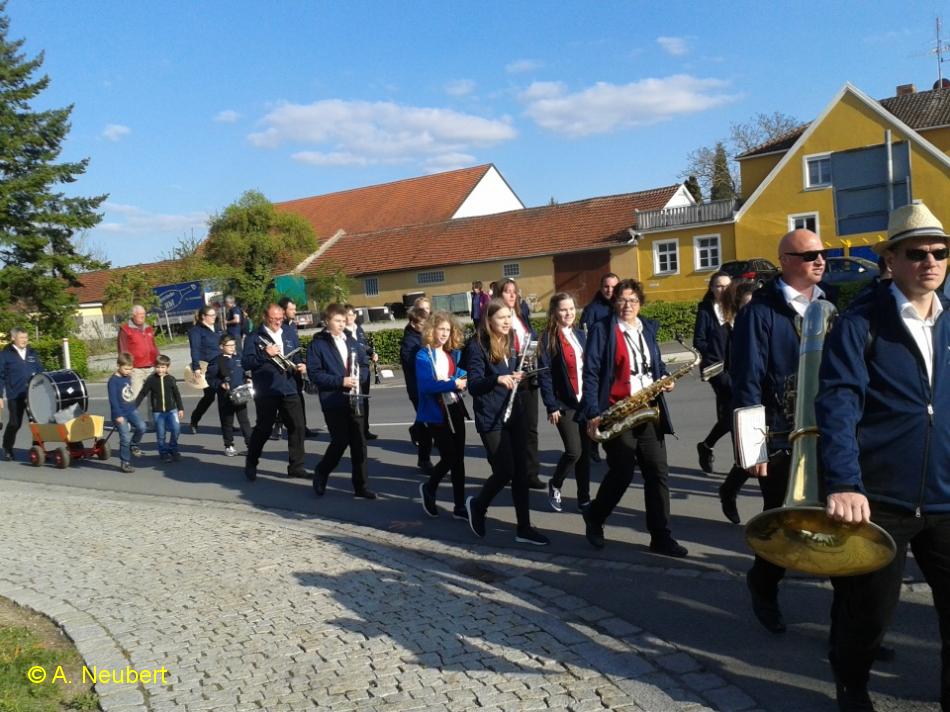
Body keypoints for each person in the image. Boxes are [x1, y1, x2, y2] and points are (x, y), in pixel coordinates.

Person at [816, 201, 950, 711]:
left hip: (947, 497)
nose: (930, 262)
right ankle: (851, 684)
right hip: (879, 499)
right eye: (917, 253)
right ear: (890, 260)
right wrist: (844, 482)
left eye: (940, 252)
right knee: (867, 615)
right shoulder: (860, 323)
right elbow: (839, 405)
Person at [731, 227, 831, 634]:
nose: (820, 260)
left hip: (829, 431)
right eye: (809, 256)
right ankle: (763, 583)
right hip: (780, 436)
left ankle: (856, 627)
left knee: (839, 521)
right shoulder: (760, 312)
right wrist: (753, 449)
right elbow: (747, 381)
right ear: (786, 261)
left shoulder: (828, 303)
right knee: (785, 522)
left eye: (822, 253)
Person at [579, 279, 687, 558]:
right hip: (617, 410)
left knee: (657, 471)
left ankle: (661, 536)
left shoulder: (647, 328)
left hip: (648, 408)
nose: (628, 305)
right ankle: (595, 515)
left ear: (640, 303)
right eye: (622, 300)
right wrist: (592, 412)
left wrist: (665, 378)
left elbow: (656, 363)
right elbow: (591, 373)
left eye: (633, 300)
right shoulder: (603, 329)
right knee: (623, 471)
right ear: (614, 302)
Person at [463, 298, 550, 546]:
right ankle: (478, 505)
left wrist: (517, 375)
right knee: (505, 471)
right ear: (489, 320)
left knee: (521, 472)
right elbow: (474, 385)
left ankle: (524, 528)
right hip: (491, 416)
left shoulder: (509, 339)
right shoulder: (477, 345)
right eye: (501, 317)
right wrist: (498, 380)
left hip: (514, 412)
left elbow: (509, 372)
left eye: (509, 317)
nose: (507, 322)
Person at [307, 303, 375, 499]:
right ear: (327, 321)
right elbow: (315, 374)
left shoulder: (351, 340)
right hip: (333, 400)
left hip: (355, 398)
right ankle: (322, 471)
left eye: (343, 321)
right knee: (340, 441)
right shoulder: (317, 344)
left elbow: (363, 363)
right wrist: (341, 381)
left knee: (359, 443)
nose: (341, 324)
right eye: (337, 320)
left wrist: (359, 378)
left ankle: (361, 486)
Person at [538, 292, 591, 513]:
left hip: (585, 402)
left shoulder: (580, 334)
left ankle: (584, 499)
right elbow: (545, 375)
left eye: (571, 308)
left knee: (585, 454)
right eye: (563, 309)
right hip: (564, 403)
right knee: (574, 451)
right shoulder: (547, 339)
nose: (568, 313)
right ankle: (556, 483)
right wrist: (551, 405)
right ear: (554, 312)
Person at [242, 304, 307, 481]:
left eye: (280, 318)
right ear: (265, 317)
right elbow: (246, 363)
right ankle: (251, 462)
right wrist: (265, 354)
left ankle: (296, 467)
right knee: (264, 428)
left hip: (289, 387)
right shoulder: (254, 337)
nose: (278, 322)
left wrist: (301, 365)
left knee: (297, 426)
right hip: (266, 390)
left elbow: (297, 355)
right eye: (274, 319)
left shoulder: (289, 332)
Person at [492, 278, 544, 490]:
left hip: (528, 375)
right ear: (499, 295)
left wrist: (532, 350)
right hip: (510, 377)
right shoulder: (496, 320)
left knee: (530, 427)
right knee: (511, 427)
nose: (513, 295)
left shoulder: (521, 316)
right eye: (507, 291)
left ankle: (530, 473)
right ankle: (509, 471)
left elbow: (530, 339)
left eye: (515, 291)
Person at [416, 312, 469, 520]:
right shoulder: (422, 355)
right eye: (441, 329)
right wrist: (454, 383)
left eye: (448, 330)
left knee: (459, 459)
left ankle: (459, 505)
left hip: (454, 408)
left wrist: (462, 379)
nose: (445, 333)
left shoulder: (450, 354)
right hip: (436, 413)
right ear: (432, 330)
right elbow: (427, 386)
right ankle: (430, 487)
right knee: (449, 457)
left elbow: (459, 374)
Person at [715, 280, 758, 524]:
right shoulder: (726, 332)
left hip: (764, 400)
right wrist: (736, 390)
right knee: (748, 458)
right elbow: (717, 369)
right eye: (746, 305)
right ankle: (729, 491)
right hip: (739, 401)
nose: (752, 310)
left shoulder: (762, 325)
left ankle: (728, 490)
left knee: (765, 458)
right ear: (737, 307)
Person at [693, 272, 732, 474]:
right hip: (717, 369)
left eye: (726, 286)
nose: (723, 290)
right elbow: (698, 340)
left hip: (738, 367)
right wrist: (714, 355)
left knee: (731, 414)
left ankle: (707, 445)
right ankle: (741, 462)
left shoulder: (738, 307)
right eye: (718, 286)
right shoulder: (706, 311)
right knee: (735, 412)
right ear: (712, 289)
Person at [581, 272, 619, 464]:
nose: (610, 290)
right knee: (598, 408)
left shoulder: (621, 306)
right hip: (599, 365)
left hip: (617, 365)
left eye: (613, 287)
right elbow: (584, 336)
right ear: (601, 287)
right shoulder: (592, 310)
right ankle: (593, 445)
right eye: (606, 286)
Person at [276, 297, 318, 439]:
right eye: (292, 309)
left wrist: (301, 364)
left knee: (298, 398)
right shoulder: (278, 327)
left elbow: (296, 349)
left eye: (295, 309)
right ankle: (278, 424)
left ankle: (302, 427)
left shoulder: (292, 325)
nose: (295, 312)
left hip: (295, 368)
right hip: (283, 369)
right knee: (284, 399)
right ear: (283, 311)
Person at [0, 327, 44, 460]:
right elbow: (0, 376)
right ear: (13, 338)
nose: (25, 340)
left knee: (37, 423)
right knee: (15, 423)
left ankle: (38, 449)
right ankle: (7, 448)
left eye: (26, 337)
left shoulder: (32, 353)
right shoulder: (5, 355)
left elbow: (40, 372)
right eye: (21, 337)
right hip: (15, 395)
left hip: (33, 394)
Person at [206, 334, 252, 457]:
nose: (232, 347)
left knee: (244, 421)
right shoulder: (216, 361)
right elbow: (210, 379)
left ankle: (250, 445)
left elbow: (243, 373)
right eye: (229, 345)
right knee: (227, 422)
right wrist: (220, 384)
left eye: (234, 345)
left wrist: (247, 379)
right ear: (221, 346)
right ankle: (229, 445)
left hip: (240, 394)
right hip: (225, 396)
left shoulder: (238, 358)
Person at [401, 306, 433, 473]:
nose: (426, 327)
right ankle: (424, 459)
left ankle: (415, 428)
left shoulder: (424, 336)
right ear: (413, 324)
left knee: (427, 420)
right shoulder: (409, 342)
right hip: (418, 389)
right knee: (428, 424)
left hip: (429, 386)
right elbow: (413, 364)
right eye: (422, 324)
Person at [134, 354, 184, 463]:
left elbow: (177, 394)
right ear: (154, 367)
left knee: (176, 429)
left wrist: (180, 408)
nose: (160, 370)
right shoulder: (151, 380)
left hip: (172, 410)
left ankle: (173, 448)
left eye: (162, 367)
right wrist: (134, 406)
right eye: (157, 367)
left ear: (167, 367)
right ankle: (163, 453)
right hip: (158, 412)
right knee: (161, 434)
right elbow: (143, 393)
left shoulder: (171, 379)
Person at [117, 305, 159, 429]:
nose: (143, 316)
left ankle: (154, 422)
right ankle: (126, 420)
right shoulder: (125, 329)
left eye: (144, 314)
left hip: (151, 367)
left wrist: (159, 362)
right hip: (135, 369)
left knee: (154, 396)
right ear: (133, 315)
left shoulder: (148, 328)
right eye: (140, 314)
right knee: (133, 396)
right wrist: (126, 367)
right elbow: (122, 350)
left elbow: (154, 347)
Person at [345, 304, 379, 440]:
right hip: (351, 369)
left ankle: (365, 430)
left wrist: (372, 353)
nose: (349, 318)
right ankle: (355, 430)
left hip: (364, 368)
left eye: (352, 315)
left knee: (364, 400)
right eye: (347, 315)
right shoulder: (341, 331)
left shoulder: (358, 328)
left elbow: (363, 345)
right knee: (353, 401)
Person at [109, 352, 146, 473]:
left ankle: (134, 445)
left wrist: (133, 406)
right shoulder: (113, 381)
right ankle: (125, 462)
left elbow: (129, 393)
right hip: (120, 414)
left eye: (130, 369)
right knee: (125, 438)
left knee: (142, 427)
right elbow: (113, 400)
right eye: (126, 369)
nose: (128, 371)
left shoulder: (127, 377)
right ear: (118, 365)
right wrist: (118, 415)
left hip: (131, 410)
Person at [188, 305, 221, 433]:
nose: (214, 317)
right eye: (211, 315)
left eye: (214, 315)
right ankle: (194, 420)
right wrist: (196, 367)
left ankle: (227, 425)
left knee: (225, 396)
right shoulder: (196, 331)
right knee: (209, 397)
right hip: (207, 369)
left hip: (222, 366)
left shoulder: (217, 328)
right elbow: (195, 349)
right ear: (203, 316)